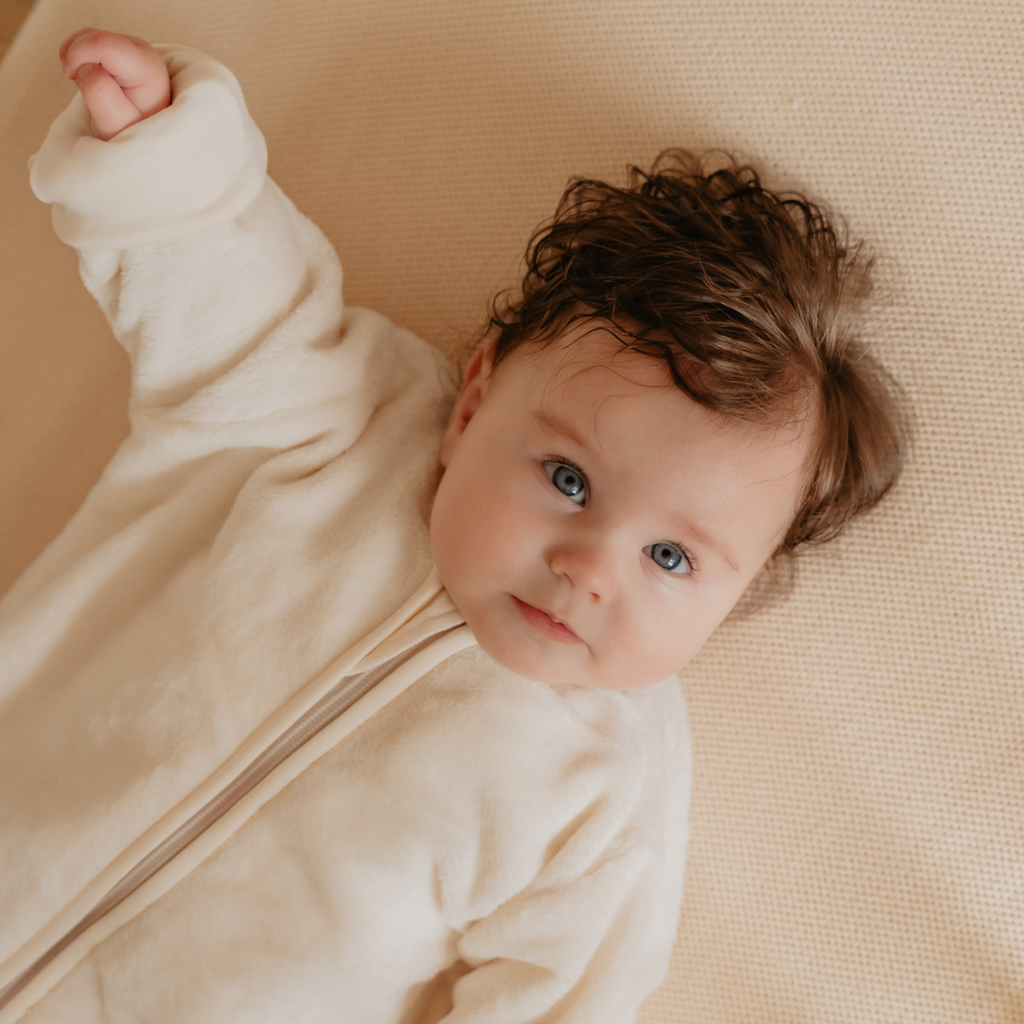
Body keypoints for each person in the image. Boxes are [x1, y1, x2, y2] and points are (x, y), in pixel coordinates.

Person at [0, 28, 905, 1024]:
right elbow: (231, 299)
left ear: (739, 591)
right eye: (568, 477)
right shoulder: (330, 423)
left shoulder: (601, 798)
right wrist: (162, 162)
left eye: (671, 556)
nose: (588, 569)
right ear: (474, 402)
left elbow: (564, 1002)